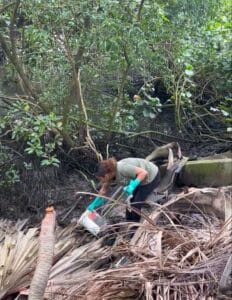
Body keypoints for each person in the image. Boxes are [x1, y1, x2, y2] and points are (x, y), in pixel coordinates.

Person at [89, 157, 160, 222]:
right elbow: (103, 190)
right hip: (139, 180)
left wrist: (132, 185)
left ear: (107, 175)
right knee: (129, 203)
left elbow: (143, 173)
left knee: (136, 204)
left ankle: (135, 227)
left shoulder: (122, 168)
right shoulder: (110, 176)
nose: (101, 181)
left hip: (151, 176)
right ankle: (129, 222)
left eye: (101, 179)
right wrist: (94, 204)